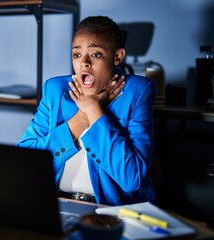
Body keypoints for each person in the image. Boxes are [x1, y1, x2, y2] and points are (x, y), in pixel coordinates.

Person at [17, 16, 157, 206]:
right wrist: (82, 116)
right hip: (57, 203)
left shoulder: (137, 92)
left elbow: (131, 178)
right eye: (76, 55)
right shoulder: (55, 90)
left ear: (117, 56)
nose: (84, 62)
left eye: (96, 54)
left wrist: (94, 110)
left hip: (109, 210)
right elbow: (24, 164)